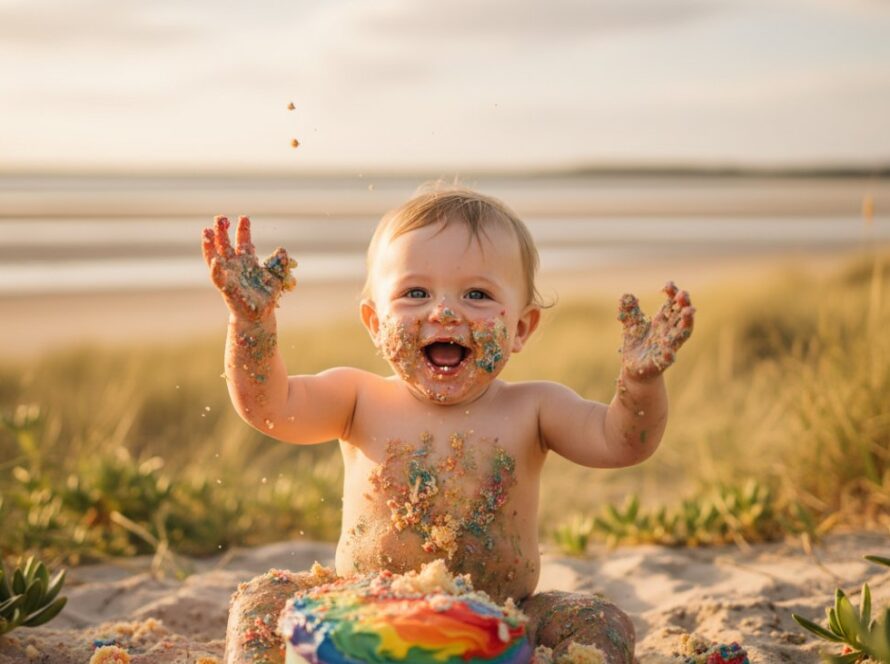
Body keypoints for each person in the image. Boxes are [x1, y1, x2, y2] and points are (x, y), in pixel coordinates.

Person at [201, 185, 695, 664]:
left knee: (601, 622)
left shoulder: (536, 407)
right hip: (359, 609)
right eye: (415, 292)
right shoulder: (356, 397)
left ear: (520, 328)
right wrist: (252, 325)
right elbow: (269, 406)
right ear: (374, 323)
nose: (444, 311)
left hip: (500, 618)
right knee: (261, 600)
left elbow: (622, 442)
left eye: (477, 294)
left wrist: (640, 383)